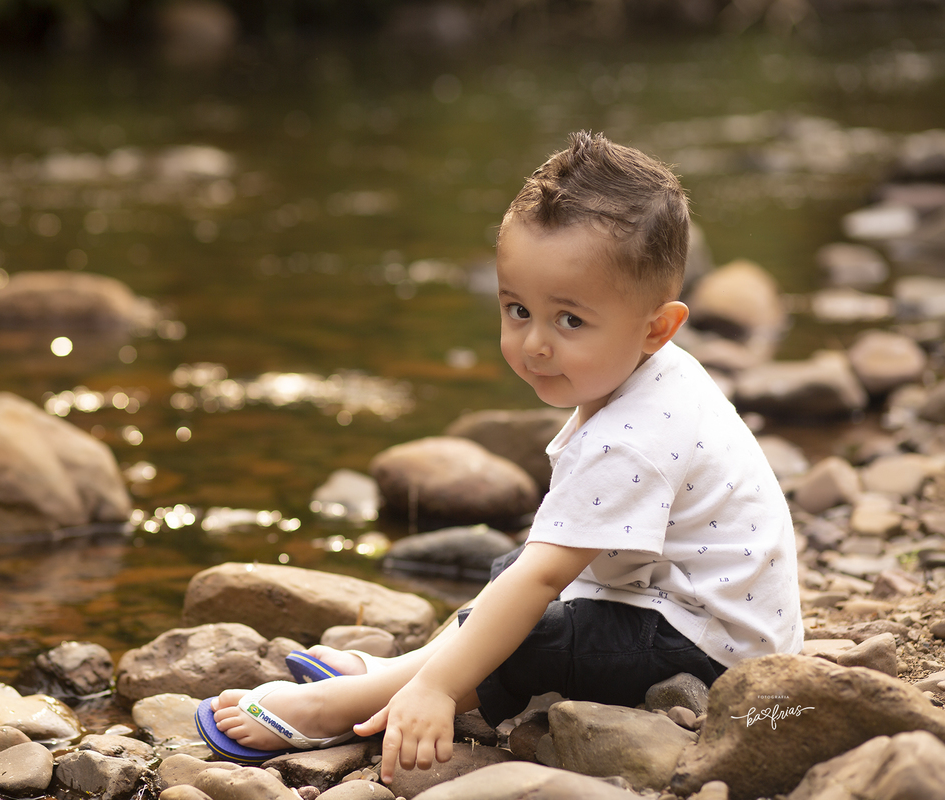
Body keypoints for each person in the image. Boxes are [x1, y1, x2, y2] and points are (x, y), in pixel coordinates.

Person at [196, 130, 803, 784]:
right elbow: (539, 570)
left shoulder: (631, 436)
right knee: (519, 566)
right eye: (517, 309)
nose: (534, 344)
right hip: (679, 600)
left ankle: (349, 703)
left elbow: (543, 585)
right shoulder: (650, 370)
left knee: (538, 623)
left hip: (712, 654)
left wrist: (438, 694)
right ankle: (404, 673)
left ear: (657, 326)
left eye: (569, 321)